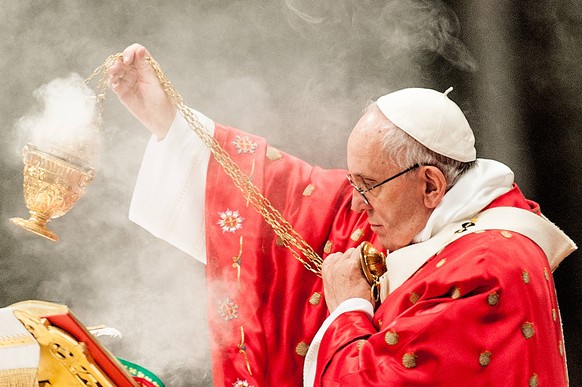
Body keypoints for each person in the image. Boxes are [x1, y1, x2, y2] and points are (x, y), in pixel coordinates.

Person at [108, 43, 576, 386]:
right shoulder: (413, 216)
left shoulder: (490, 271)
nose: (354, 204)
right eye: (354, 182)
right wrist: (171, 121)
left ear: (431, 184)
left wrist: (350, 305)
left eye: (367, 186)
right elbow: (285, 199)